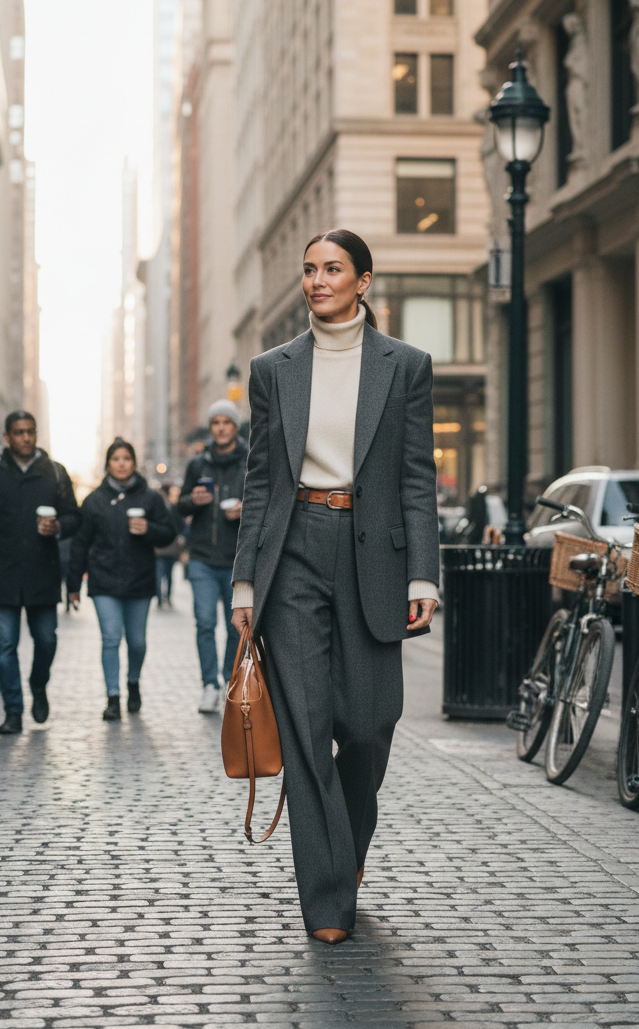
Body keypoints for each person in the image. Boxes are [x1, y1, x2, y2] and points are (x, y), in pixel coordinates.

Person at [231, 229, 440, 944]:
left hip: (373, 557)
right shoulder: (273, 369)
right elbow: (260, 484)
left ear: (364, 281)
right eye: (309, 270)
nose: (317, 281)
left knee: (369, 725)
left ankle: (346, 845)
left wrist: (423, 573)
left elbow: (418, 478)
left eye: (332, 269)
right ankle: (327, 899)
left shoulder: (406, 366)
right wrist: (244, 585)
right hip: (292, 557)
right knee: (307, 731)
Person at [0, 410, 80, 735]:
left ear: (36, 434)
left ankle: (38, 684)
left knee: (46, 640)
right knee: (5, 646)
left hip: (42, 574)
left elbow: (75, 518)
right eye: (18, 432)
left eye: (30, 431)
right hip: (2, 575)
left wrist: (58, 526)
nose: (25, 437)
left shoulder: (55, 473)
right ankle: (13, 711)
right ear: (7, 437)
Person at [67, 439, 175, 720]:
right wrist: (73, 585)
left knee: (137, 642)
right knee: (111, 639)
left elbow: (169, 533)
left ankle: (133, 682)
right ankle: (113, 697)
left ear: (134, 463)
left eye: (127, 458)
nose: (122, 463)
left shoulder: (150, 498)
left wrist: (148, 528)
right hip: (104, 581)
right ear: (108, 464)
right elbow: (80, 544)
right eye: (116, 459)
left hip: (139, 581)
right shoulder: (94, 501)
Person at [177, 400, 247, 713]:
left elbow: (267, 501)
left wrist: (246, 510)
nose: (220, 428)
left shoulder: (250, 461)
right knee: (204, 623)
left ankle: (230, 682)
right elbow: (180, 505)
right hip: (202, 557)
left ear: (234, 427)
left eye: (226, 422)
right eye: (215, 422)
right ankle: (209, 685)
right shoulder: (197, 464)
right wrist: (192, 500)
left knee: (236, 626)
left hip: (238, 560)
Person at [154, 484, 182, 607]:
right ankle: (166, 598)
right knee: (167, 575)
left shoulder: (163, 508)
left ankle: (161, 599)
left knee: (161, 574)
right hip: (168, 547)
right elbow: (180, 526)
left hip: (161, 548)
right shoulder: (173, 508)